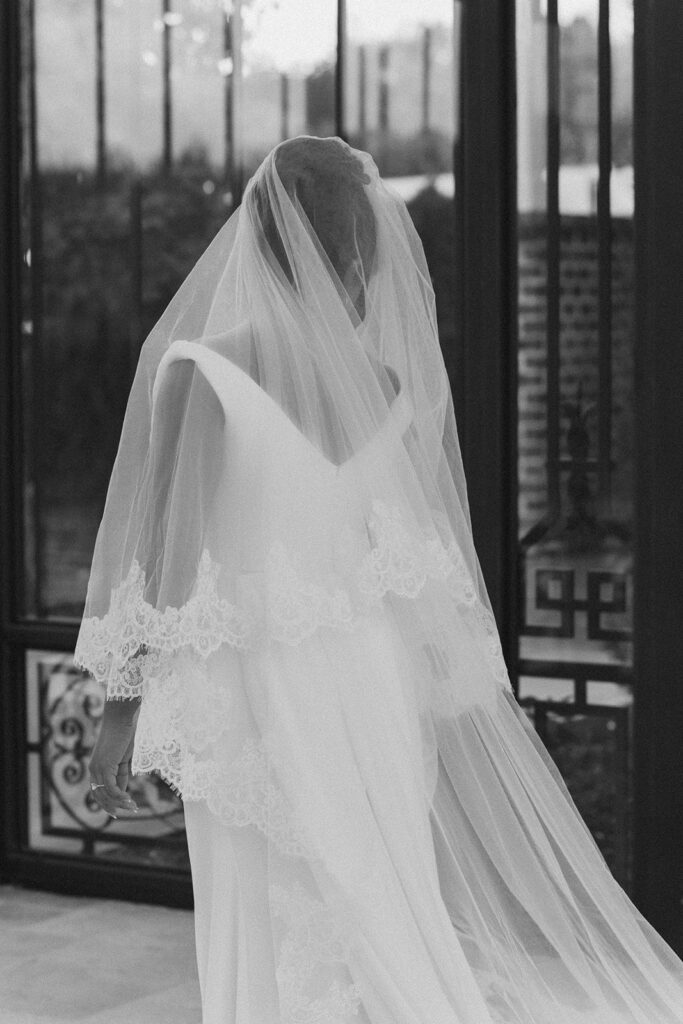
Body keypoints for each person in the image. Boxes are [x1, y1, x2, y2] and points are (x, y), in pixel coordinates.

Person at [76, 136, 683, 1024]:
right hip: (373, 679)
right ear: (362, 252)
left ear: (257, 240)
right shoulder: (387, 382)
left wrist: (120, 708)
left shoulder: (203, 372)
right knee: (380, 897)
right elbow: (397, 557)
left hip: (261, 685)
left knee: (270, 902)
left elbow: (170, 558)